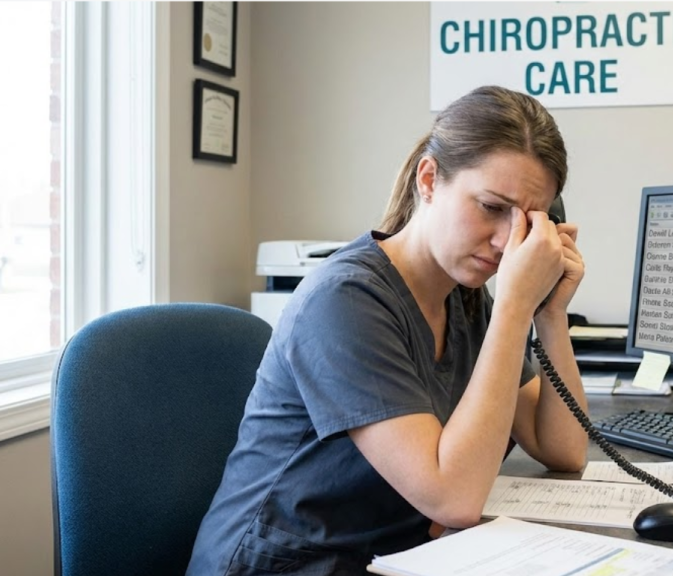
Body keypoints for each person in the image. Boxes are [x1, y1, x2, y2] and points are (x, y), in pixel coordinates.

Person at [186, 85, 588, 576]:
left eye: (527, 221)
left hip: (389, 559)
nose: (507, 241)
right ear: (429, 179)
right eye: (490, 207)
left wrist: (548, 312)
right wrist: (514, 305)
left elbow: (564, 450)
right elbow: (454, 498)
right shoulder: (345, 301)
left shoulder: (466, 297)